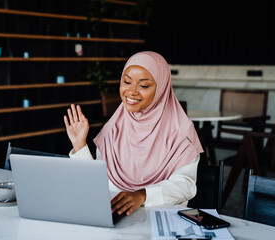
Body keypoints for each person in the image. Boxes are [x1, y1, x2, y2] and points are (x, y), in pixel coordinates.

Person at [64, 51, 203, 217]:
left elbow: (185, 185)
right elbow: (97, 185)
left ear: (162, 88)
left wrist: (143, 195)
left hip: (159, 218)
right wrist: (79, 145)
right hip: (114, 216)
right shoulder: (113, 128)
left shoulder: (181, 131)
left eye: (143, 86)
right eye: (127, 82)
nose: (131, 91)